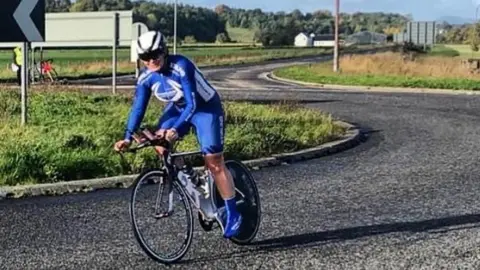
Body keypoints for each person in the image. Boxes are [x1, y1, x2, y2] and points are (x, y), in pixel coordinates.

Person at [113, 30, 242, 238]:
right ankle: (190, 179)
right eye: (145, 57)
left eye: (155, 54)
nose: (151, 60)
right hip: (178, 108)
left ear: (164, 51)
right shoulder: (146, 77)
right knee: (159, 142)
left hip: (205, 108)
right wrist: (127, 137)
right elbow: (138, 108)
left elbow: (192, 104)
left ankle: (233, 213)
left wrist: (175, 130)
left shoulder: (181, 65)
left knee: (214, 161)